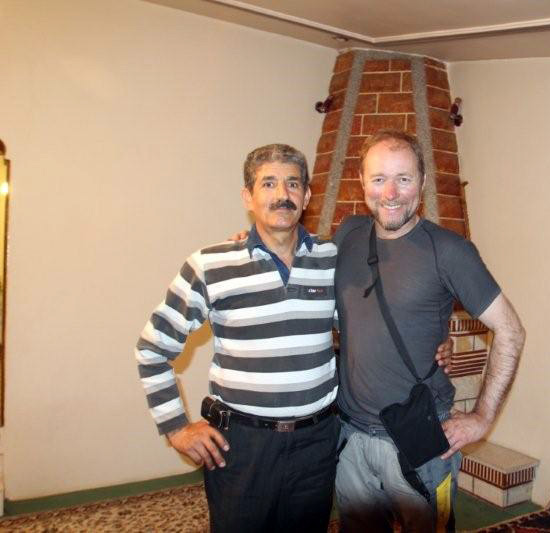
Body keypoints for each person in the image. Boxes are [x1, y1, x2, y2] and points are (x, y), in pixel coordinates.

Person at [135, 144, 340, 532]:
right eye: (268, 183)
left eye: (293, 183)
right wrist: (176, 428)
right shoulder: (210, 264)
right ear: (248, 197)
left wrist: (435, 344)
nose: (282, 194)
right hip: (242, 447)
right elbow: (152, 349)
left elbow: (361, 326)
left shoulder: (332, 259)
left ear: (307, 196)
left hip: (316, 444)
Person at [333, 129, 526, 532]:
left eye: (403, 179)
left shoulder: (451, 251)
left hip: (420, 437)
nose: (391, 193)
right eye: (379, 178)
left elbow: (511, 330)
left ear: (422, 183)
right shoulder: (348, 234)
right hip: (350, 434)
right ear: (362, 182)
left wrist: (483, 417)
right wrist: (251, 242)